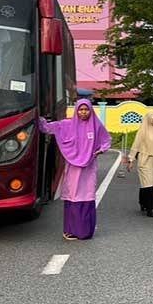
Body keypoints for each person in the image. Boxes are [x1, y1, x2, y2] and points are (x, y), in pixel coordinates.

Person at [38, 99, 112, 241]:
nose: (83, 112)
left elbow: (106, 140)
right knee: (73, 195)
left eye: (86, 109)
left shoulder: (96, 126)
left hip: (88, 168)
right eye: (80, 109)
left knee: (87, 195)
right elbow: (46, 128)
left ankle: (85, 231)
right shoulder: (67, 124)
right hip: (73, 168)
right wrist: (37, 116)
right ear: (76, 110)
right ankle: (71, 231)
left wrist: (100, 150)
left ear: (90, 110)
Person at [127, 112, 153, 217]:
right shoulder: (143, 131)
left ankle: (142, 202)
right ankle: (150, 209)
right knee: (148, 184)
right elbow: (136, 145)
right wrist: (131, 160)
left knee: (152, 184)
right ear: (149, 119)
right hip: (145, 160)